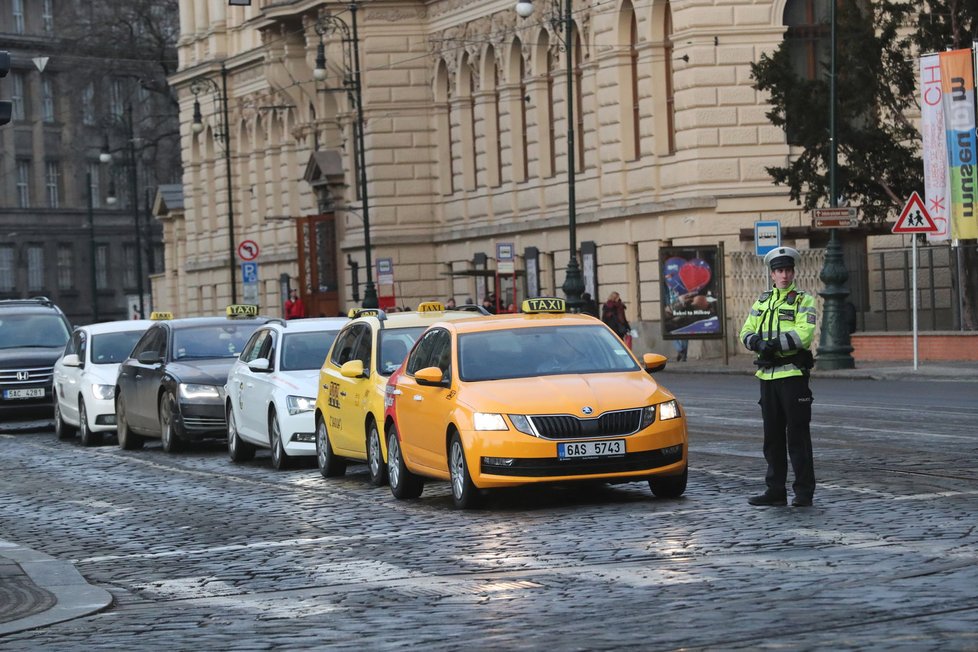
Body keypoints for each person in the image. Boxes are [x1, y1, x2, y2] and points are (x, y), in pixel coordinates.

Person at [739, 246, 817, 508]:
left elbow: (804, 333)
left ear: (793, 272)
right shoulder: (761, 301)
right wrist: (758, 344)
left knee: (798, 437)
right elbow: (745, 331)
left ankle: (803, 492)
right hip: (767, 377)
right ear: (772, 274)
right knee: (772, 438)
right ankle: (775, 490)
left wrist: (774, 344)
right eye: (779, 270)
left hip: (793, 375)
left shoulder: (804, 300)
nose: (784, 275)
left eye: (788, 270)